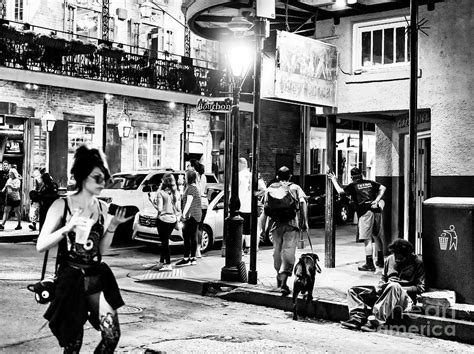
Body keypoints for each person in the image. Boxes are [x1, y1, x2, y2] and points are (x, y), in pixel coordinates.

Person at [36, 145, 133, 352]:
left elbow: (100, 252)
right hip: (71, 279)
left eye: (103, 177)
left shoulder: (102, 207)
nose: (102, 182)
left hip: (96, 278)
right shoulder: (61, 205)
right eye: (95, 177)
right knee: (73, 344)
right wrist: (68, 227)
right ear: (82, 177)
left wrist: (113, 226)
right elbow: (41, 245)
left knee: (111, 335)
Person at [341, 239, 425, 332]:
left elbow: (421, 287)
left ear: (409, 255)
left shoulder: (418, 263)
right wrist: (380, 286)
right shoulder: (389, 259)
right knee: (354, 291)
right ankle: (357, 318)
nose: (397, 260)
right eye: (396, 257)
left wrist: (401, 288)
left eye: (401, 259)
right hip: (386, 292)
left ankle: (376, 321)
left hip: (404, 299)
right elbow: (383, 278)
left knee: (393, 286)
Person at [260, 166, 308, 296]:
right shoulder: (295, 188)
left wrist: (263, 229)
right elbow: (303, 203)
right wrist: (305, 221)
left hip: (275, 226)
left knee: (277, 252)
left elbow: (264, 210)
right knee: (288, 251)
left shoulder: (269, 189)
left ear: (277, 176)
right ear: (290, 176)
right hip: (291, 224)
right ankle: (283, 282)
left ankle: (278, 275)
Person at [328, 167, 386, 272]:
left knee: (367, 239)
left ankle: (369, 264)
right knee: (376, 236)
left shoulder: (353, 186)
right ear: (361, 174)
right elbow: (383, 187)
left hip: (365, 213)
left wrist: (333, 180)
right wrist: (377, 200)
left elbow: (341, 191)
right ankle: (381, 261)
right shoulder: (370, 183)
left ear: (352, 177)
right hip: (376, 211)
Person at [148, 173, 181, 271]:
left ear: (163, 181)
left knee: (164, 242)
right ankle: (161, 262)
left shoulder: (160, 193)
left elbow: (160, 209)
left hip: (163, 219)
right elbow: (178, 209)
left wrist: (152, 201)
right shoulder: (176, 193)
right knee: (165, 241)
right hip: (172, 220)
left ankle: (168, 264)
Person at [176, 169, 202, 266]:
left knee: (187, 237)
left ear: (188, 178)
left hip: (191, 215)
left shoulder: (191, 188)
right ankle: (193, 258)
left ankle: (187, 258)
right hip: (196, 215)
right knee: (193, 236)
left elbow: (188, 202)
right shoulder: (195, 187)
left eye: (185, 176)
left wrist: (183, 215)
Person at [190, 160, 208, 258]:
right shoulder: (203, 176)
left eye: (189, 165)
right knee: (200, 226)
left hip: (197, 201)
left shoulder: (193, 175)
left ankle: (193, 251)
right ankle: (198, 250)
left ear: (193, 166)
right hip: (204, 202)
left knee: (194, 227)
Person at [238, 157, 252, 254]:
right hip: (250, 206)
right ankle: (248, 248)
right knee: (248, 228)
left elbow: (234, 191)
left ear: (241, 164)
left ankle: (240, 248)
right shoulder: (251, 175)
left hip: (240, 205)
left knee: (241, 228)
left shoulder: (239, 175)